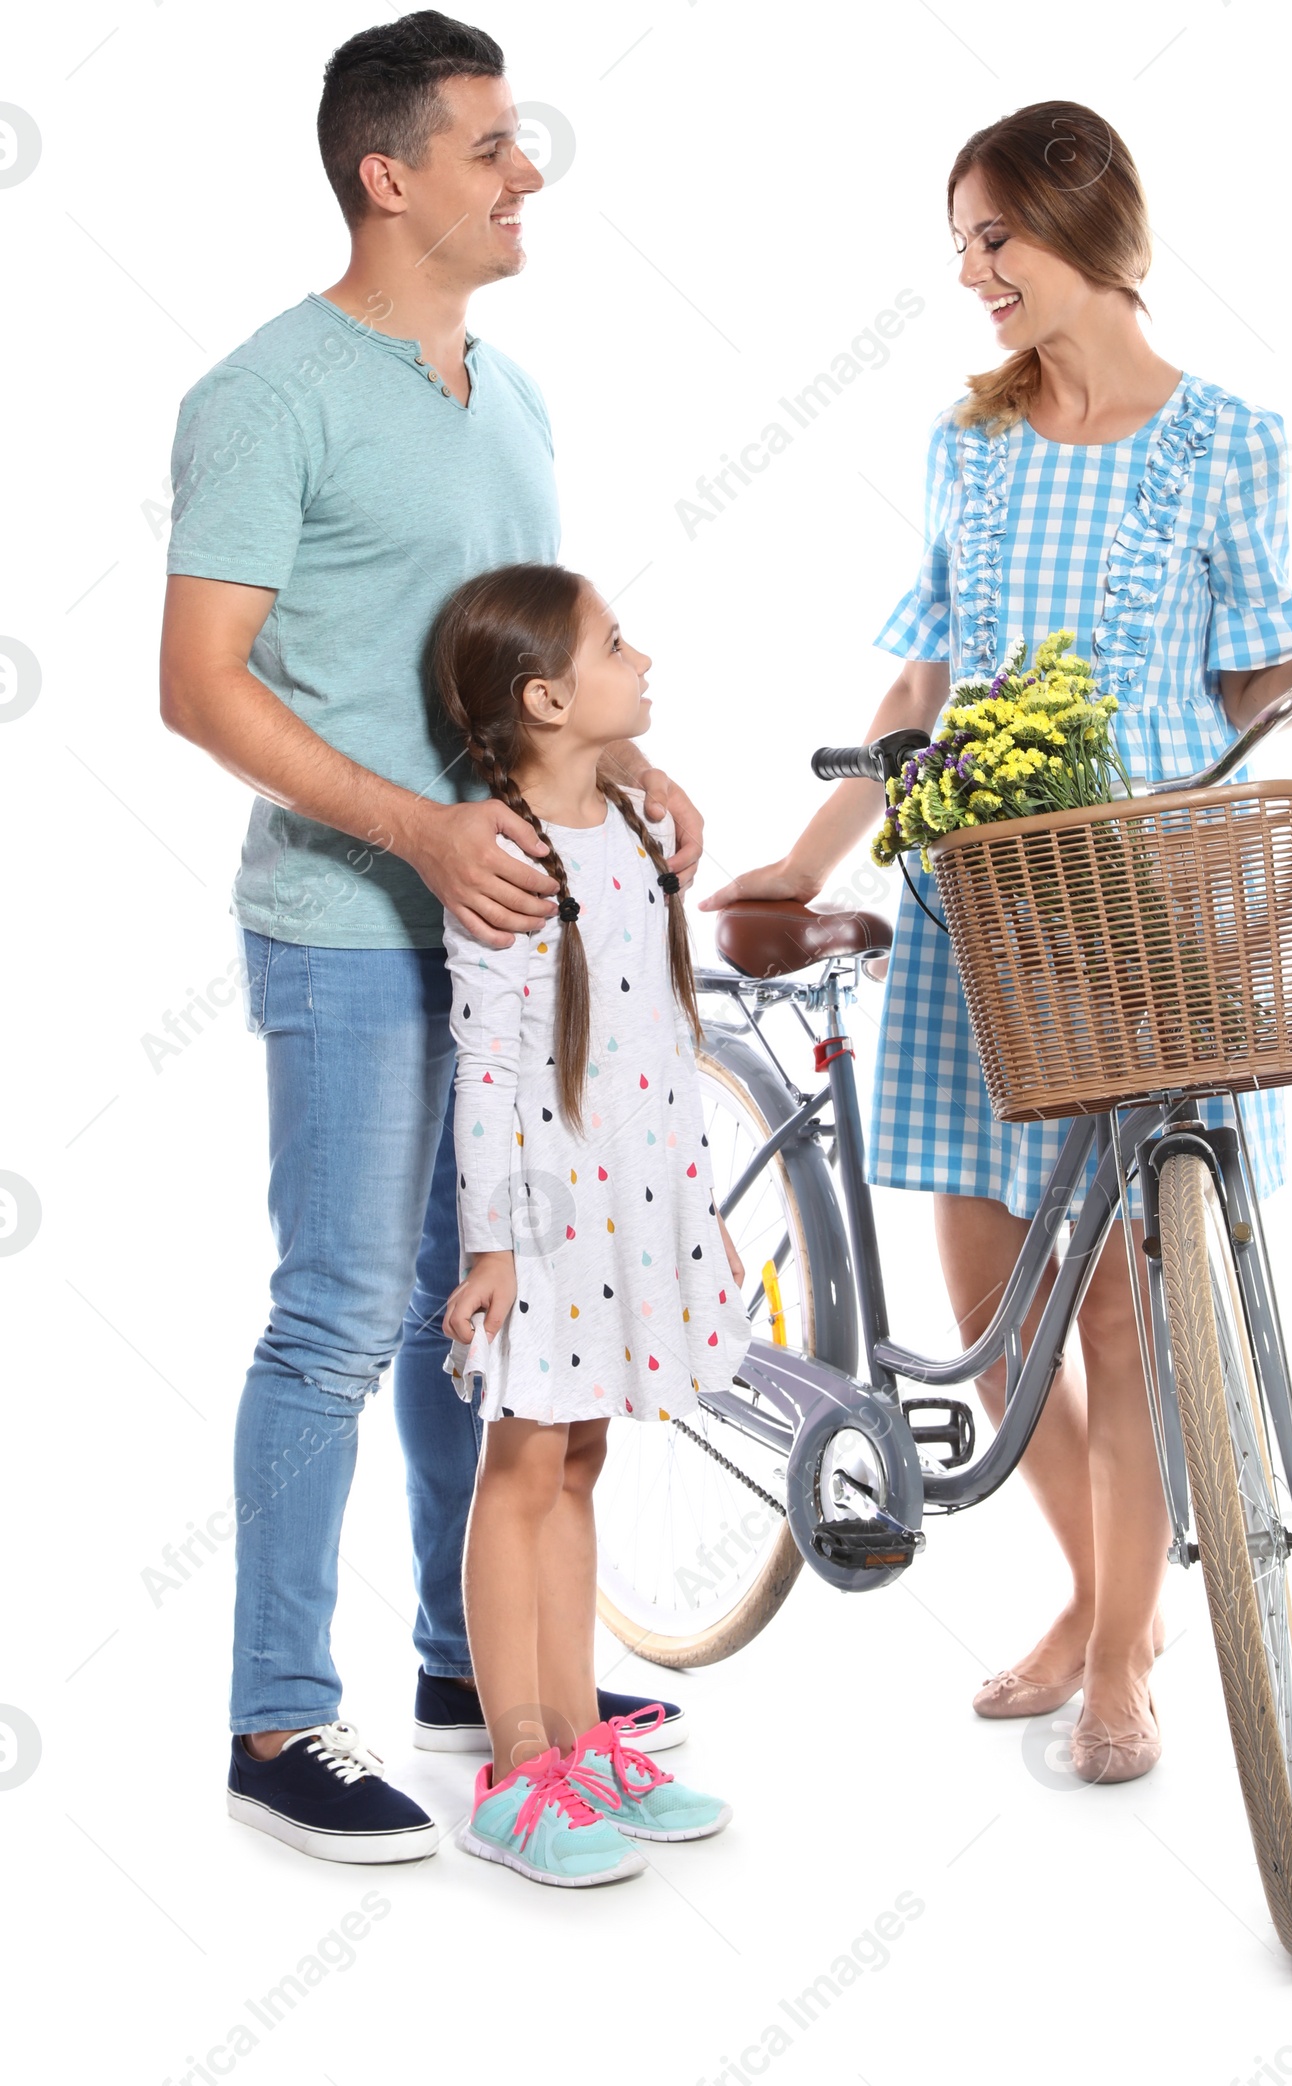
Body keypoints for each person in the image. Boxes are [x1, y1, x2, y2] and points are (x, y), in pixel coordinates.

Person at [703, 101, 1292, 1783]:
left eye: (991, 239)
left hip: (1151, 907)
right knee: (993, 1323)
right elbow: (921, 685)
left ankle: (1117, 1664)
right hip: (977, 915)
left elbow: (1241, 676)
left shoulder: (1227, 440)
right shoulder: (974, 444)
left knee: (1116, 1314)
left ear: (1080, 224)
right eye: (958, 245)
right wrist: (801, 850)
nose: (972, 274)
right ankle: (1110, 1596)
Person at [158, 11, 701, 1863]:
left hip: (526, 947)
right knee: (343, 1315)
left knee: (497, 1314)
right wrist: (413, 831)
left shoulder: (513, 390)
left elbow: (517, 672)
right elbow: (194, 686)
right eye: (490, 146)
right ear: (389, 178)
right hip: (348, 929)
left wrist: (637, 773)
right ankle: (278, 1720)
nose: (525, 171)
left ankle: (482, 1677)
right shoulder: (267, 394)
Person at [431, 564, 745, 1886]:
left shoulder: (622, 826)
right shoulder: (504, 855)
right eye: (618, 644)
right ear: (550, 697)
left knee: (577, 1462)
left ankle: (573, 1730)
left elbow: (669, 1040)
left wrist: (699, 1206)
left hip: (630, 1207)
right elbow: (489, 1059)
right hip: (547, 1218)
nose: (643, 655)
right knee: (521, 1469)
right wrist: (491, 1242)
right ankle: (512, 1765)